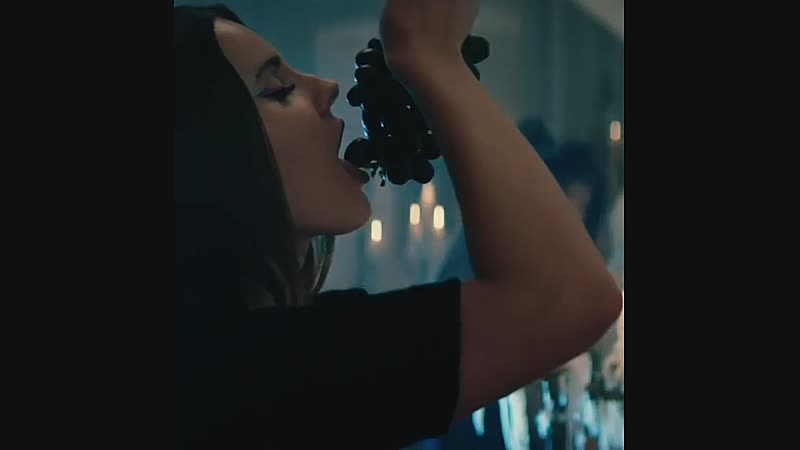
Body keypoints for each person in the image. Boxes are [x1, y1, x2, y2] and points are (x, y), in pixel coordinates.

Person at [175, 1, 622, 448]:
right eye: (277, 89)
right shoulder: (250, 376)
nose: (327, 87)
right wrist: (430, 56)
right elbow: (569, 301)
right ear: (202, 161)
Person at [435, 131, 613, 450]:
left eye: (584, 209)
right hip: (477, 387)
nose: (575, 217)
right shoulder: (500, 238)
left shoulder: (579, 257)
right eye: (569, 202)